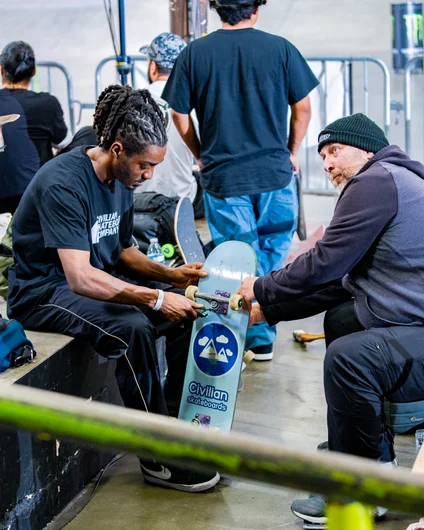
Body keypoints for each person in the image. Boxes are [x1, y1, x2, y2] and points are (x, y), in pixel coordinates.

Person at [7, 84, 220, 493]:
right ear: (118, 149)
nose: (149, 175)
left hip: (89, 276)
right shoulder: (63, 183)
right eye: (145, 165)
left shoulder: (123, 180)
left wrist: (171, 277)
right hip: (42, 291)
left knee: (184, 312)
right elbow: (80, 277)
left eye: (155, 166)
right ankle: (156, 456)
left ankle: (176, 431)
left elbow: (121, 250)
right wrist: (155, 296)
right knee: (133, 327)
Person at [237, 113, 424, 525]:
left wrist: (261, 287)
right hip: (414, 325)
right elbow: (342, 281)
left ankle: (359, 490)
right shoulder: (395, 181)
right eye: (322, 155)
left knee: (348, 359)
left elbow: (325, 262)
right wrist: (267, 311)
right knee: (343, 320)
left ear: (367, 149)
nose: (327, 163)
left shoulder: (377, 181)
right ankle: (373, 462)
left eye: (334, 151)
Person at [162, 0, 319, 361]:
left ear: (217, 8)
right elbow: (304, 107)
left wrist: (200, 152)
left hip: (225, 177)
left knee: (238, 259)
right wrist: (291, 151)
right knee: (271, 256)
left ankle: (252, 333)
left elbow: (179, 114)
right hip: (275, 176)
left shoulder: (194, 54)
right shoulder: (281, 48)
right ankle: (263, 330)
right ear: (256, 9)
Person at [0, 41, 70, 213]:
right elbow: (64, 143)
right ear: (34, 71)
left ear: (1, 70)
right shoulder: (47, 104)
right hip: (34, 200)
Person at [137, 32, 199, 207]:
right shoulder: (194, 104)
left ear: (153, 67)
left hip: (139, 198)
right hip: (181, 200)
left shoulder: (131, 102)